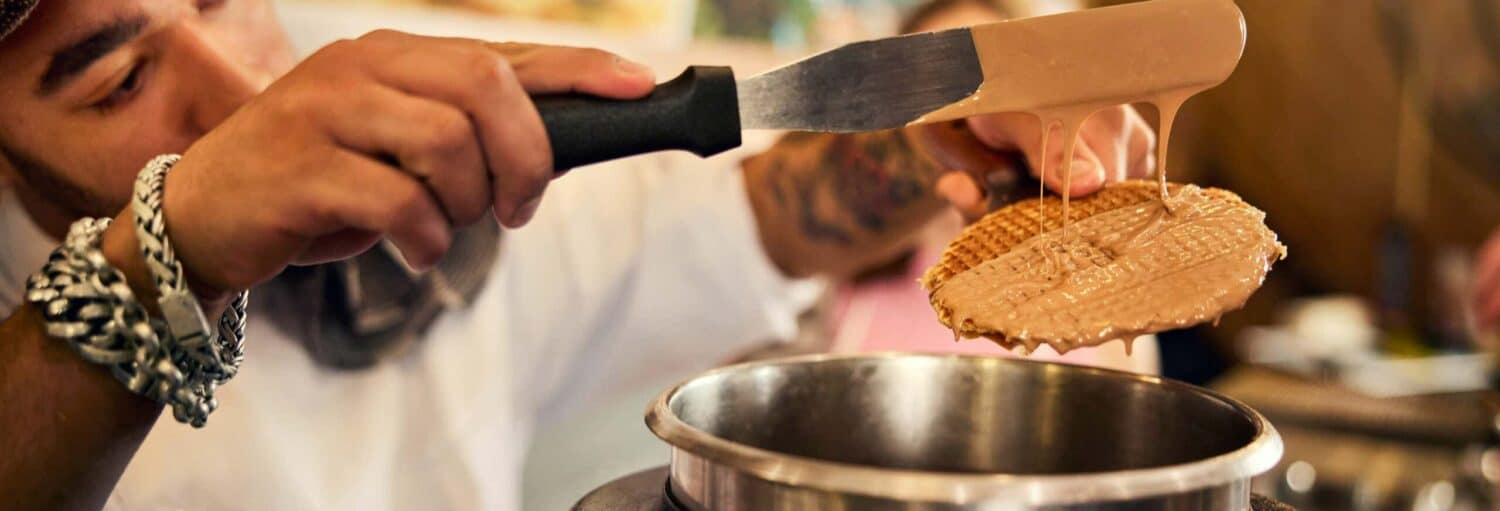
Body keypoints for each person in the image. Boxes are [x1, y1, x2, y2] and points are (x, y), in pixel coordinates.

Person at [0, 0, 1150, 509]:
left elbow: (767, 220)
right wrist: (173, 244)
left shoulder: (431, 247)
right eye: (121, 81)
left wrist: (938, 130)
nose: (239, 88)